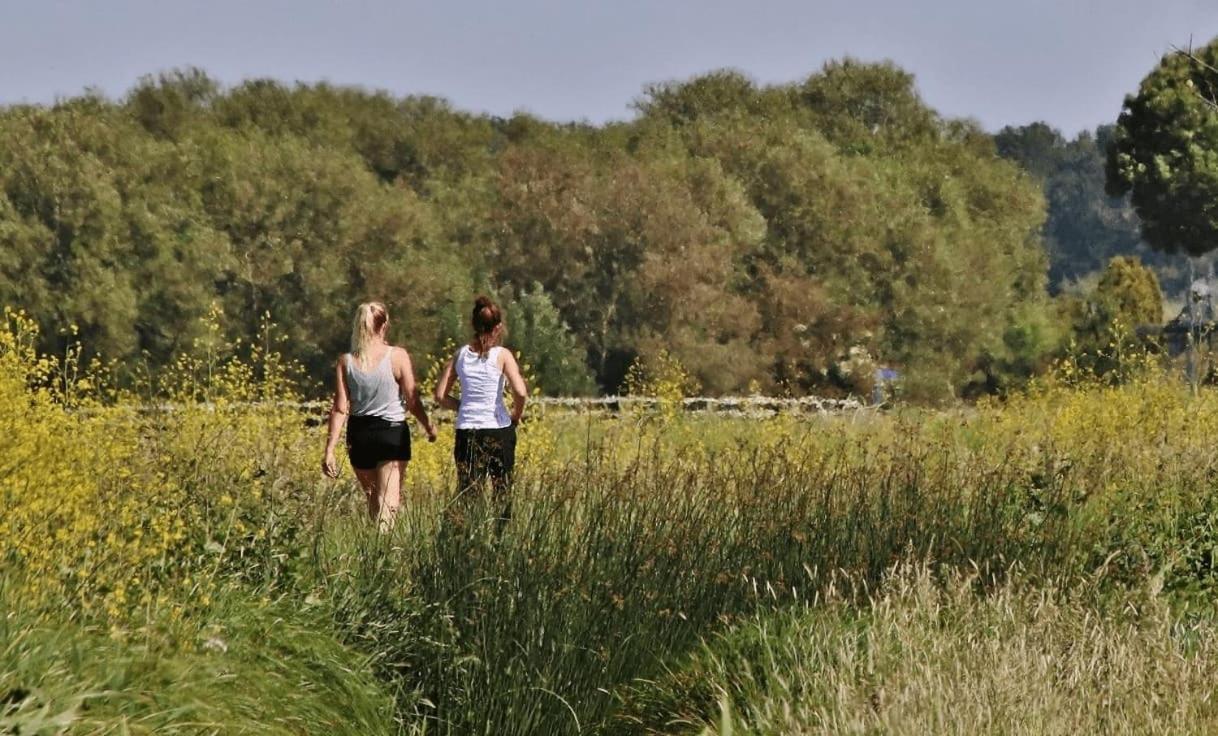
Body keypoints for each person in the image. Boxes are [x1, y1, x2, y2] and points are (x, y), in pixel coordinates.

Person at [322, 302, 436, 530]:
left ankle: (375, 553)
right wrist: (428, 426)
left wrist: (330, 450)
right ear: (384, 326)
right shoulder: (397, 356)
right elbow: (412, 400)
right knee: (388, 504)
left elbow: (340, 408)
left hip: (359, 435)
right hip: (391, 434)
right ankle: (385, 557)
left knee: (374, 502)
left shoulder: (346, 362)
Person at [433, 296, 528, 526]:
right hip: (498, 428)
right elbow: (521, 392)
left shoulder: (460, 355)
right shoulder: (502, 355)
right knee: (502, 489)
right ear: (498, 328)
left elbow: (439, 395)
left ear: (473, 325)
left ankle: (465, 541)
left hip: (468, 430)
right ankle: (499, 539)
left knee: (468, 492)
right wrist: (515, 415)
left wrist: (462, 406)